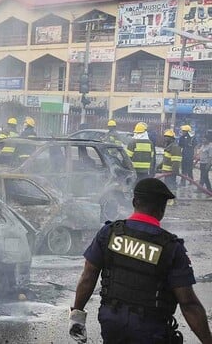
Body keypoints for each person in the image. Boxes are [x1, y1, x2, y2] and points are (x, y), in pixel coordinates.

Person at [69, 178, 212, 344]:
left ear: (134, 202)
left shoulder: (109, 233)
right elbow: (188, 303)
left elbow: (88, 276)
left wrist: (77, 317)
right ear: (162, 209)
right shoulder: (171, 247)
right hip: (151, 330)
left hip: (111, 325)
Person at [160, 129, 182, 205]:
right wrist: (159, 167)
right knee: (168, 185)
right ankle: (170, 200)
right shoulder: (169, 147)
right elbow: (166, 159)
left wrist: (174, 171)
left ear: (172, 139)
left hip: (171, 172)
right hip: (167, 172)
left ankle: (172, 200)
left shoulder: (174, 147)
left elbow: (176, 160)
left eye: (167, 137)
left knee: (171, 186)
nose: (165, 138)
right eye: (165, 136)